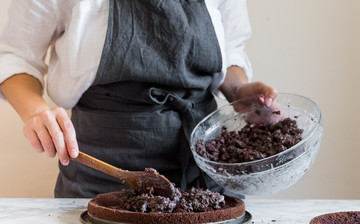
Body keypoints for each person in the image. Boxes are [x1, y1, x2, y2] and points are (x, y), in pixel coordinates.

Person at [0, 0, 277, 198]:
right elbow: (15, 56)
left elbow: (229, 51)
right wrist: (35, 110)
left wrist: (239, 91)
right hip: (101, 174)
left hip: (206, 168)